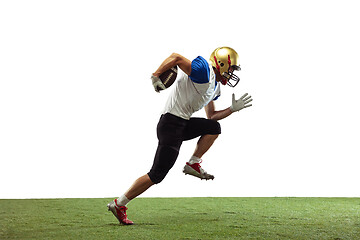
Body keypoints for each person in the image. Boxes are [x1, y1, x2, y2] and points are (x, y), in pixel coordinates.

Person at [107, 46, 253, 225]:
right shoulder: (204, 71)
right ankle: (119, 204)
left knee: (214, 127)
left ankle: (193, 163)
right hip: (170, 125)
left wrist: (232, 109)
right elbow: (176, 57)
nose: (231, 74)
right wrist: (156, 75)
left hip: (181, 123)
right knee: (157, 175)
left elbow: (212, 116)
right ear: (222, 63)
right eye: (231, 69)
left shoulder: (215, 87)